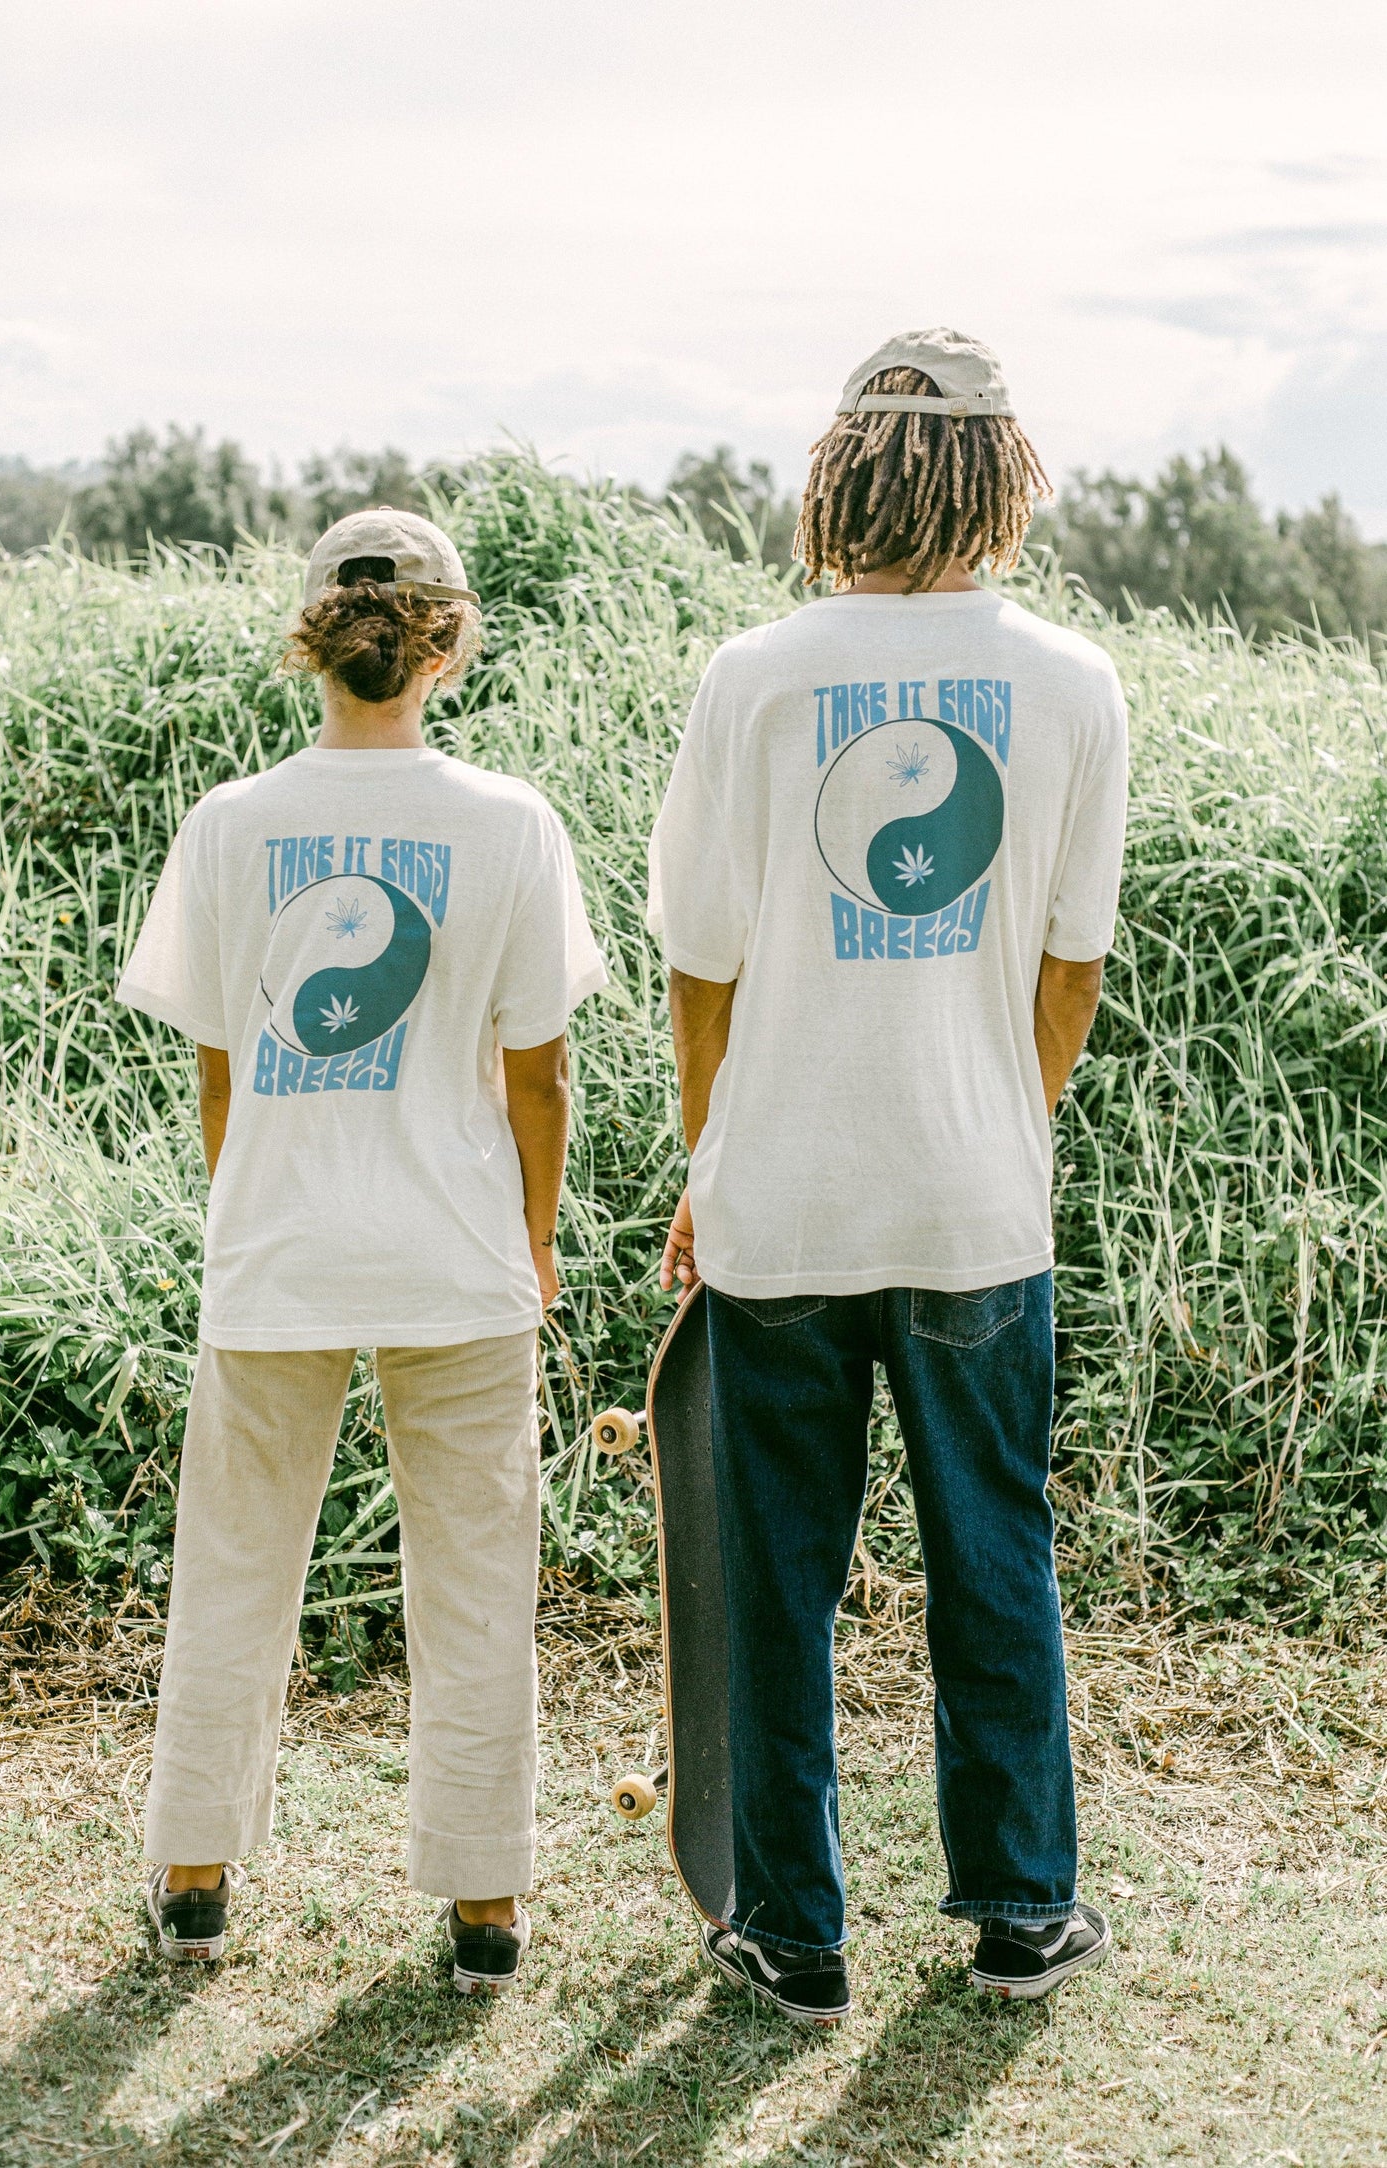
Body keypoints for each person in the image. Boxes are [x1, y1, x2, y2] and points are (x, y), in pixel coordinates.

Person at [647, 329, 1128, 2022]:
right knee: (992, 1549)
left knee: (774, 1572)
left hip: (780, 1194)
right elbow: (1068, 967)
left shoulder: (756, 676)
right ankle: (1018, 1911)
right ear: (1004, 473)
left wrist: (713, 1154)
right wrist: (1006, 1119)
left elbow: (699, 964)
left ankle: (791, 1931)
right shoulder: (1072, 682)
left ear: (842, 466)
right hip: (970, 1204)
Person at [118, 507, 606, 1993]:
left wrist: (255, 1209)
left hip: (274, 1250)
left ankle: (195, 1879)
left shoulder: (229, 824)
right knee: (474, 1580)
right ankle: (482, 1909)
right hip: (458, 1254)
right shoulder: (509, 822)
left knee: (234, 1567)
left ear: (309, 640)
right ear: (446, 644)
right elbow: (539, 1074)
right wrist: (530, 1245)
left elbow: (221, 1069)